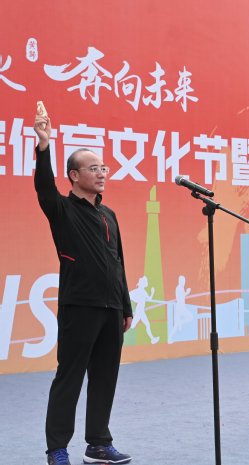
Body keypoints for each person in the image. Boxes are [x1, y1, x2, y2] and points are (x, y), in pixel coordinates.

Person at [34, 108, 133, 465]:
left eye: (103, 168)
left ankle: (99, 444)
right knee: (70, 377)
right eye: (93, 168)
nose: (102, 173)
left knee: (105, 377)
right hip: (79, 306)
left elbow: (118, 262)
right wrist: (44, 146)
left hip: (111, 309)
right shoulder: (62, 209)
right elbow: (44, 187)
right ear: (74, 176)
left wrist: (126, 306)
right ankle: (57, 449)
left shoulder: (109, 215)